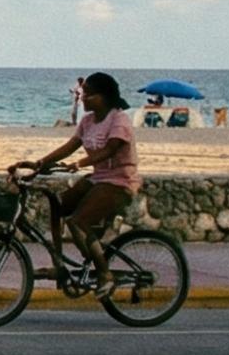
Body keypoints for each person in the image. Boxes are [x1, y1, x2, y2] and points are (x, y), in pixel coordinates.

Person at [15, 71, 142, 279]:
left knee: (78, 221)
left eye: (89, 94)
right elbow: (70, 146)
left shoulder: (119, 120)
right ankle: (59, 264)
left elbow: (110, 149)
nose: (83, 98)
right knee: (58, 206)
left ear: (104, 97)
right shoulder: (87, 121)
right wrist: (39, 164)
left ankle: (104, 274)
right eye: (83, 93)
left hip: (120, 182)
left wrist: (80, 163)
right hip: (98, 179)